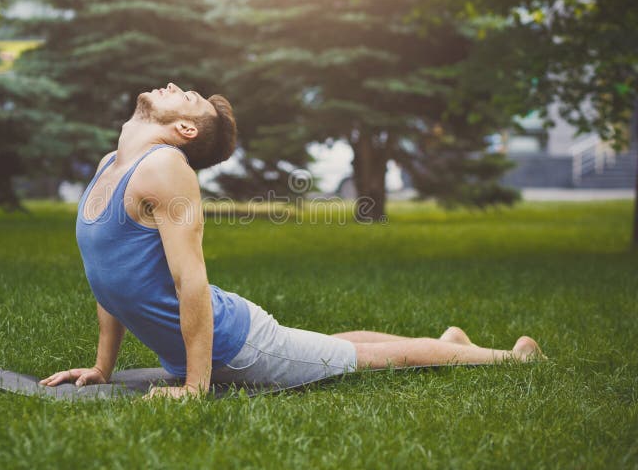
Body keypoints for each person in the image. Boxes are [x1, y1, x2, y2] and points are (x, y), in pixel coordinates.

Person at [39, 82, 543, 399]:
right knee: (326, 348)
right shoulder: (113, 165)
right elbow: (109, 278)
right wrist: (104, 367)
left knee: (361, 360)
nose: (172, 84)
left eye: (185, 96)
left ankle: (506, 358)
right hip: (201, 345)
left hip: (235, 347)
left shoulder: (165, 170)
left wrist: (195, 388)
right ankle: (447, 343)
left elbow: (189, 280)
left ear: (186, 129)